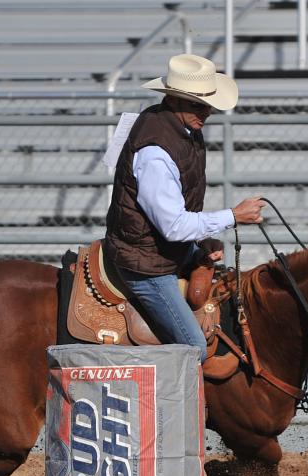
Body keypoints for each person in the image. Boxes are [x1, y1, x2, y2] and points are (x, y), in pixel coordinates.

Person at [102, 53, 265, 375]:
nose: (207, 112)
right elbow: (174, 226)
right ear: (175, 100)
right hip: (145, 264)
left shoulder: (175, 128)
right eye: (198, 105)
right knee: (194, 347)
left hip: (155, 248)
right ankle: (156, 399)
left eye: (208, 105)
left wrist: (201, 240)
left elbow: (173, 215)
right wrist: (233, 216)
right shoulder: (155, 151)